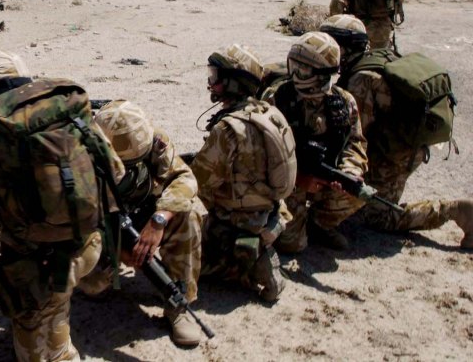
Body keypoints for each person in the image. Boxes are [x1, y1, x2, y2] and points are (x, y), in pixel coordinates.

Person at [0, 50, 123, 362]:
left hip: (30, 257)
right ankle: (74, 324)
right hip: (89, 244)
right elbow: (115, 170)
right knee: (60, 299)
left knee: (33, 320)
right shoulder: (69, 115)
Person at [319, 15, 473, 247]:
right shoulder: (379, 56)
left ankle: (454, 211)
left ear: (344, 47)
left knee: (378, 216)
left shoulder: (361, 79)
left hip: (397, 153)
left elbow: (355, 134)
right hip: (405, 142)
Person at [80, 100, 203, 347]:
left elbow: (184, 178)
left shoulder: (153, 140)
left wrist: (159, 220)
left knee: (185, 214)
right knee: (94, 287)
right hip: (98, 226)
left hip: (141, 213)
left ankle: (179, 303)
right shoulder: (79, 156)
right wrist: (118, 250)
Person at [190, 44, 296, 303]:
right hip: (270, 208)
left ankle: (250, 265)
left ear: (233, 83)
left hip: (236, 218)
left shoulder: (228, 128)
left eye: (216, 78)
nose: (211, 83)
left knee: (183, 265)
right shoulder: (269, 112)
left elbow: (199, 181)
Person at [266, 32, 369, 252]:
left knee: (356, 192)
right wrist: (300, 180)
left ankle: (319, 224)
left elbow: (355, 143)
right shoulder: (277, 98)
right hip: (286, 183)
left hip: (325, 178)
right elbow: (261, 155)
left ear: (323, 74)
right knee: (292, 245)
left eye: (302, 70)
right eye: (292, 66)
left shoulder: (344, 102)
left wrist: (348, 170)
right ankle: (293, 223)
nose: (294, 75)